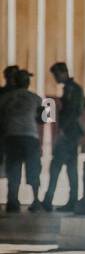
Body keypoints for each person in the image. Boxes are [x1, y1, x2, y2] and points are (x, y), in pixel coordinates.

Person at [40, 62, 85, 211]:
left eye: (56, 75)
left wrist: (62, 132)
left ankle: (50, 200)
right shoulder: (73, 88)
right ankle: (70, 201)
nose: (55, 78)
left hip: (68, 133)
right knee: (68, 168)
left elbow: (72, 112)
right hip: (72, 132)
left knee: (57, 167)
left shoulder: (71, 89)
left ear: (63, 73)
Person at [1, 69, 42, 211]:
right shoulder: (36, 97)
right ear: (28, 83)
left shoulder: (5, 98)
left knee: (13, 171)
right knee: (34, 171)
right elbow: (45, 120)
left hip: (12, 137)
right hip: (31, 138)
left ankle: (12, 203)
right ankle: (36, 202)